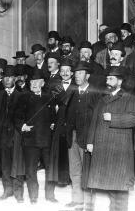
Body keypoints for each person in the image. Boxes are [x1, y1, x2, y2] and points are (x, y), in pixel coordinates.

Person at [86, 67, 135, 211]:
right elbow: (94, 121)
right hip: (103, 147)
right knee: (108, 185)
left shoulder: (129, 98)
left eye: (111, 78)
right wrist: (90, 141)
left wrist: (113, 118)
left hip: (119, 149)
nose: (107, 81)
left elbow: (134, 119)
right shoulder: (102, 99)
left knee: (120, 187)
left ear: (120, 81)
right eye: (107, 78)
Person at [15, 69, 56, 204]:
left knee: (50, 169)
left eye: (37, 81)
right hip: (30, 140)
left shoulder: (49, 97)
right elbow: (16, 116)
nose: (34, 84)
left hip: (47, 140)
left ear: (43, 83)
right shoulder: (23, 97)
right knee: (31, 170)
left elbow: (54, 116)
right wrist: (22, 126)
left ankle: (50, 195)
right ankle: (33, 196)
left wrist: (53, 123)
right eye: (32, 81)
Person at [65, 61, 101, 211]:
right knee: (74, 170)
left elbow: (97, 118)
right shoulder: (72, 92)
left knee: (87, 171)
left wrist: (92, 139)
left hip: (87, 138)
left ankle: (89, 204)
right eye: (76, 73)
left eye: (80, 73)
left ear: (88, 75)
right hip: (72, 137)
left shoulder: (94, 92)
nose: (77, 76)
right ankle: (77, 200)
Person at [0, 65, 25, 203]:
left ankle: (18, 193)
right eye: (5, 77)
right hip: (2, 137)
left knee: (17, 165)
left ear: (15, 79)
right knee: (5, 165)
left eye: (10, 77)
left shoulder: (22, 96)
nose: (7, 80)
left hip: (16, 137)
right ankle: (7, 190)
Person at [48, 58, 76, 189]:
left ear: (72, 73)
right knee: (60, 150)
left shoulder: (76, 86)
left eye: (67, 71)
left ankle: (72, 179)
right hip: (59, 123)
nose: (65, 73)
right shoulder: (55, 87)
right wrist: (52, 120)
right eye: (62, 71)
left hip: (72, 123)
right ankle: (61, 179)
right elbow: (50, 105)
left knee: (71, 151)